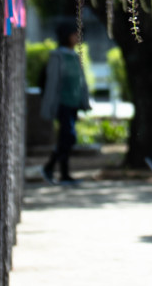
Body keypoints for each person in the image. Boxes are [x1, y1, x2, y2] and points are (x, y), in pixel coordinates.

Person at [40, 19, 90, 185]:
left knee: (66, 139)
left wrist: (84, 100)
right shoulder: (57, 57)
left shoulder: (75, 56)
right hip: (62, 103)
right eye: (75, 34)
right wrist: (50, 106)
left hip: (73, 103)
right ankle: (53, 169)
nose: (78, 37)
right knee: (68, 137)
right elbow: (52, 82)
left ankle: (60, 173)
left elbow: (81, 81)